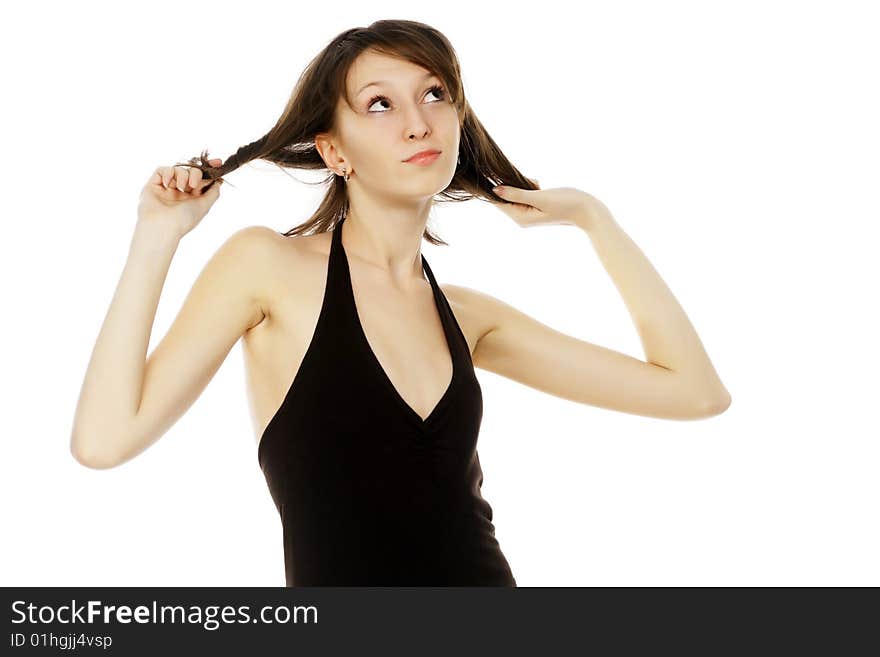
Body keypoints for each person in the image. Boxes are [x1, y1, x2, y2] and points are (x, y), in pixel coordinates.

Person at [70, 20, 731, 586]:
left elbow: (695, 392)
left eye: (436, 95)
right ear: (333, 150)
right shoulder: (266, 266)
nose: (419, 122)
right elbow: (103, 441)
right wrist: (155, 238)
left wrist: (596, 220)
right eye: (380, 105)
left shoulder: (470, 318)